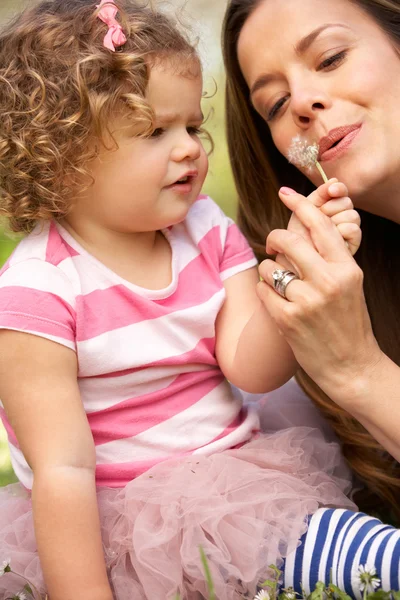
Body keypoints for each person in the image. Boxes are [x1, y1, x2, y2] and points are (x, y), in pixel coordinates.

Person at [0, 0, 386, 599]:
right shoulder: (38, 292)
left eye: (191, 127)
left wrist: (300, 262)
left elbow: (250, 368)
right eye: (155, 132)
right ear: (64, 159)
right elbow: (62, 471)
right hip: (119, 522)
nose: (189, 149)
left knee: (363, 555)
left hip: (239, 490)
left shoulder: (202, 225)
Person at [222, 0, 400, 593]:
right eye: (274, 104)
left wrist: (358, 370)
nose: (302, 102)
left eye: (330, 57)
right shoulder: (334, 288)